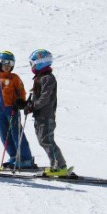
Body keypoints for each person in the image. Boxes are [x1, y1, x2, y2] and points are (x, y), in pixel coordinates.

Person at [0, 51, 35, 169]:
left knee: (16, 134)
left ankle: (25, 158)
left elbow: (21, 92)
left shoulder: (14, 78)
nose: (8, 65)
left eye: (10, 63)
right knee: (4, 135)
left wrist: (21, 102)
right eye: (5, 62)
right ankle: (14, 156)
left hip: (11, 109)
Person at [25, 49, 70, 177]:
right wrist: (28, 105)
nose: (31, 66)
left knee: (47, 140)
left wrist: (33, 106)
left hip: (46, 115)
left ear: (40, 63)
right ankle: (56, 164)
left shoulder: (48, 78)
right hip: (40, 115)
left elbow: (45, 97)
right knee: (43, 141)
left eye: (32, 63)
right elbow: (37, 96)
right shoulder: (41, 78)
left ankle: (60, 166)